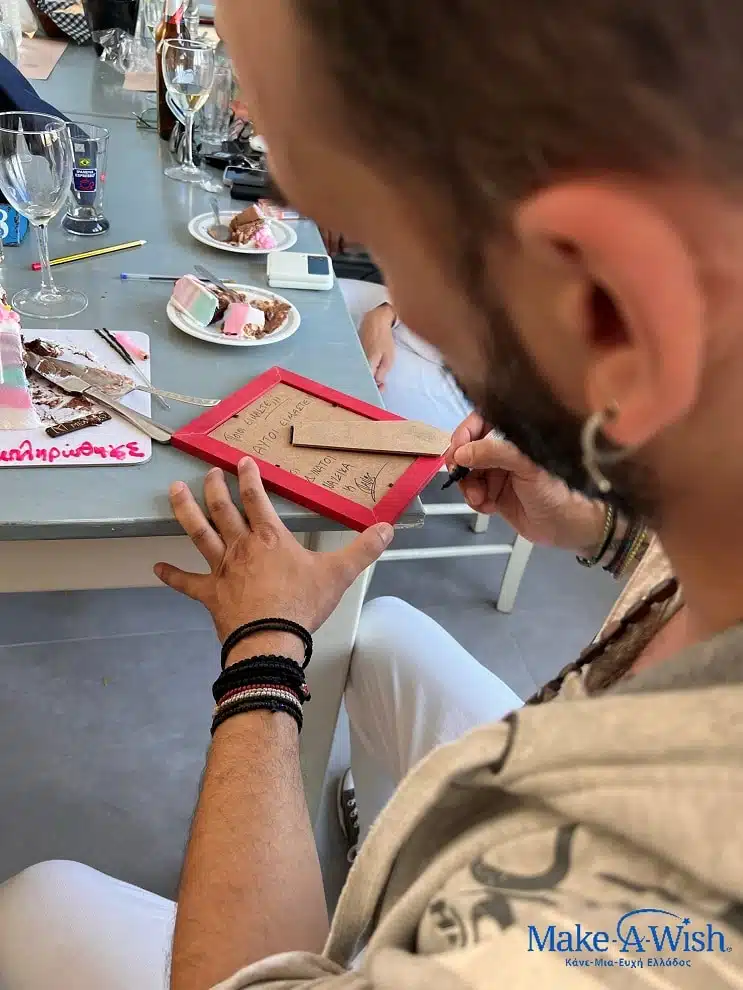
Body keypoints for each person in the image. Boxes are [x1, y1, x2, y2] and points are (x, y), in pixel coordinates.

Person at [2, 1, 743, 988]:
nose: (395, 297)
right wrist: (606, 529)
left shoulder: (619, 930)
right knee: (380, 636)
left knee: (38, 905)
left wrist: (262, 652)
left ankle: (369, 935)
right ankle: (381, 871)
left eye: (371, 230)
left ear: (604, 304)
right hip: (550, 768)